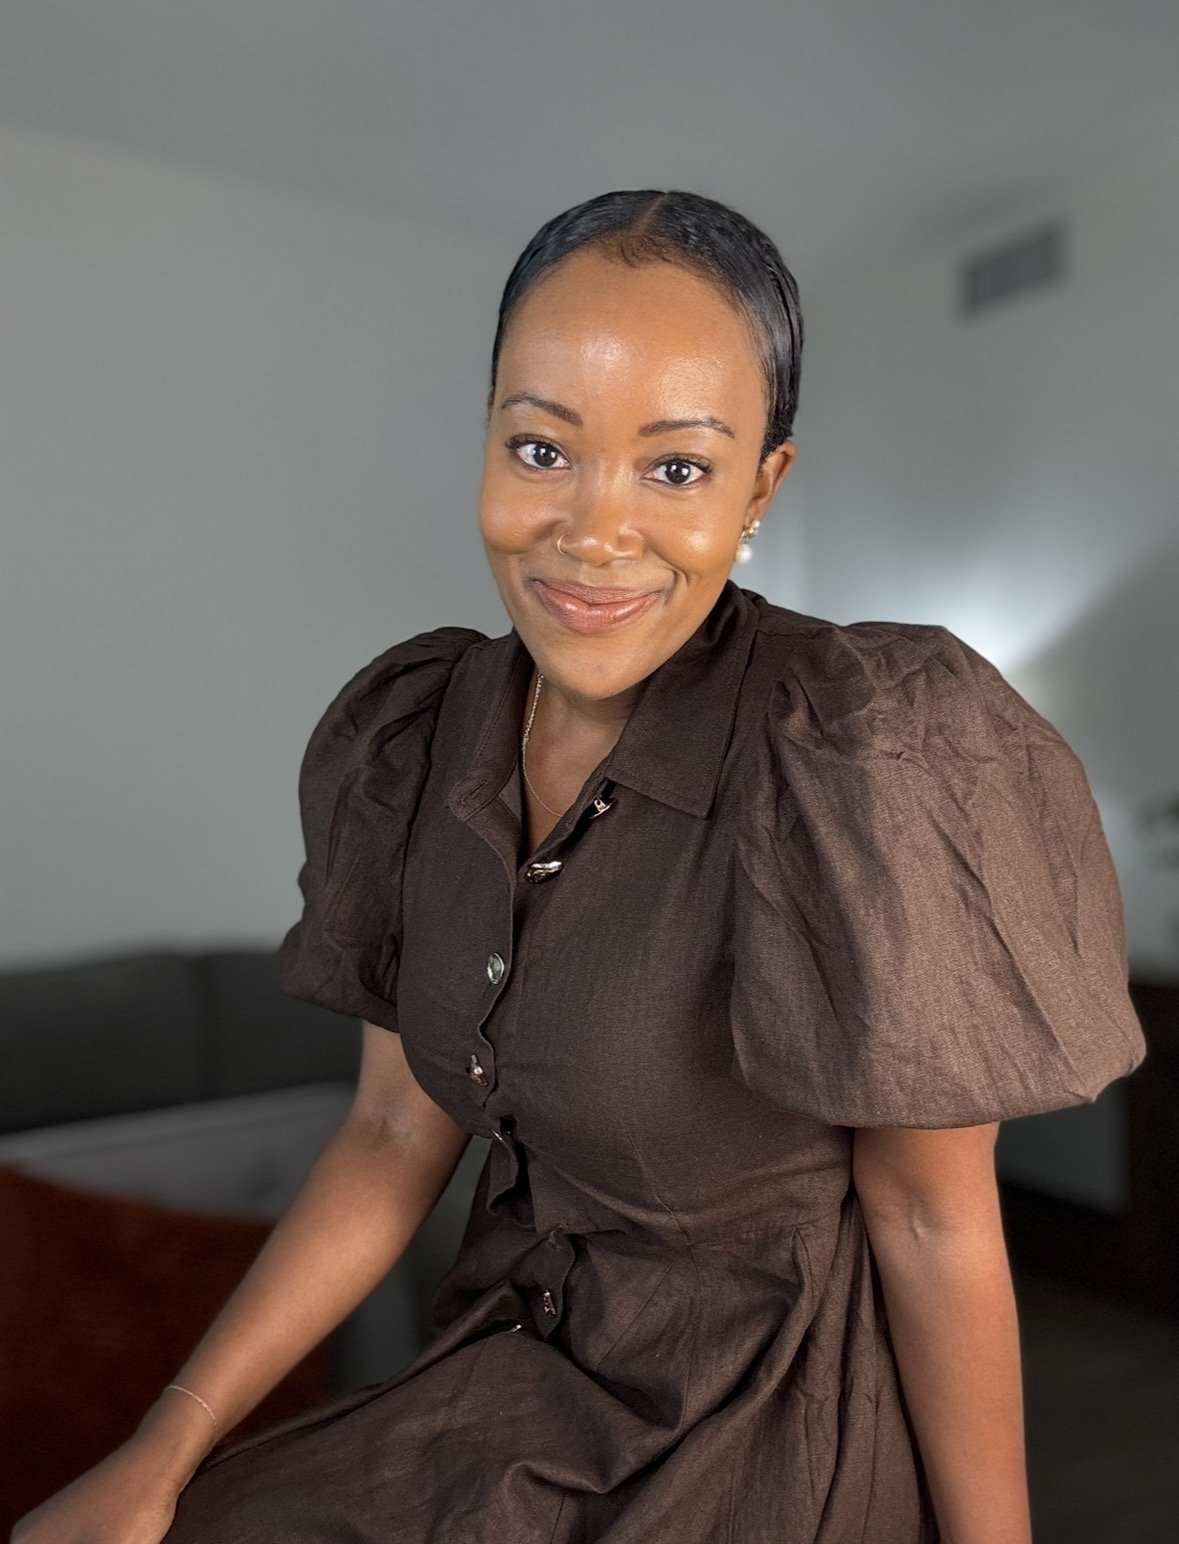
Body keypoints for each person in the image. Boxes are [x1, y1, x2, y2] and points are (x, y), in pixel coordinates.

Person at [13, 188, 1147, 1544]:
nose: (594, 531)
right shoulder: (416, 738)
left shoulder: (863, 754)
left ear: (761, 488)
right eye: (543, 448)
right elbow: (391, 1133)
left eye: (677, 470)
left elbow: (931, 1225)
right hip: (512, 1383)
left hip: (770, 1436)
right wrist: (165, 1446)